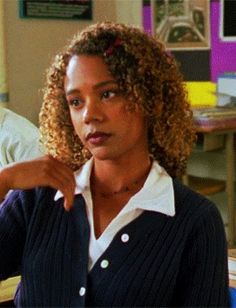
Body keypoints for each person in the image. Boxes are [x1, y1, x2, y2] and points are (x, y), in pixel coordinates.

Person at [0, 22, 229, 307]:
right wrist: (3, 182)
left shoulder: (194, 221)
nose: (89, 115)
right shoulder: (38, 197)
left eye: (108, 93)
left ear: (151, 100)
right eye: (75, 101)